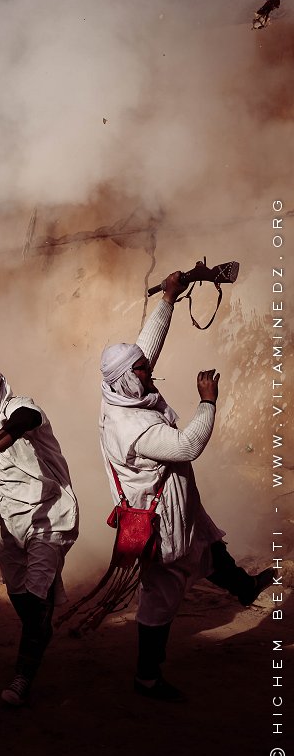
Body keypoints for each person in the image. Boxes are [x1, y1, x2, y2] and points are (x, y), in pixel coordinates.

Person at [99, 270, 275, 701]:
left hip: (178, 508)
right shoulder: (133, 426)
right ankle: (147, 677)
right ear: (128, 377)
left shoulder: (119, 389)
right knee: (160, 598)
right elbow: (188, 445)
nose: (149, 370)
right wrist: (207, 402)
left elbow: (144, 350)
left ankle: (245, 588)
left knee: (209, 546)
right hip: (161, 522)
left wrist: (168, 298)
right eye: (142, 370)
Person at [0, 370, 79, 707]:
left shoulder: (19, 407)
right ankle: (39, 630)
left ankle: (22, 677)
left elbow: (24, 421)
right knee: (19, 593)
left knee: (37, 596)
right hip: (11, 522)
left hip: (50, 515)